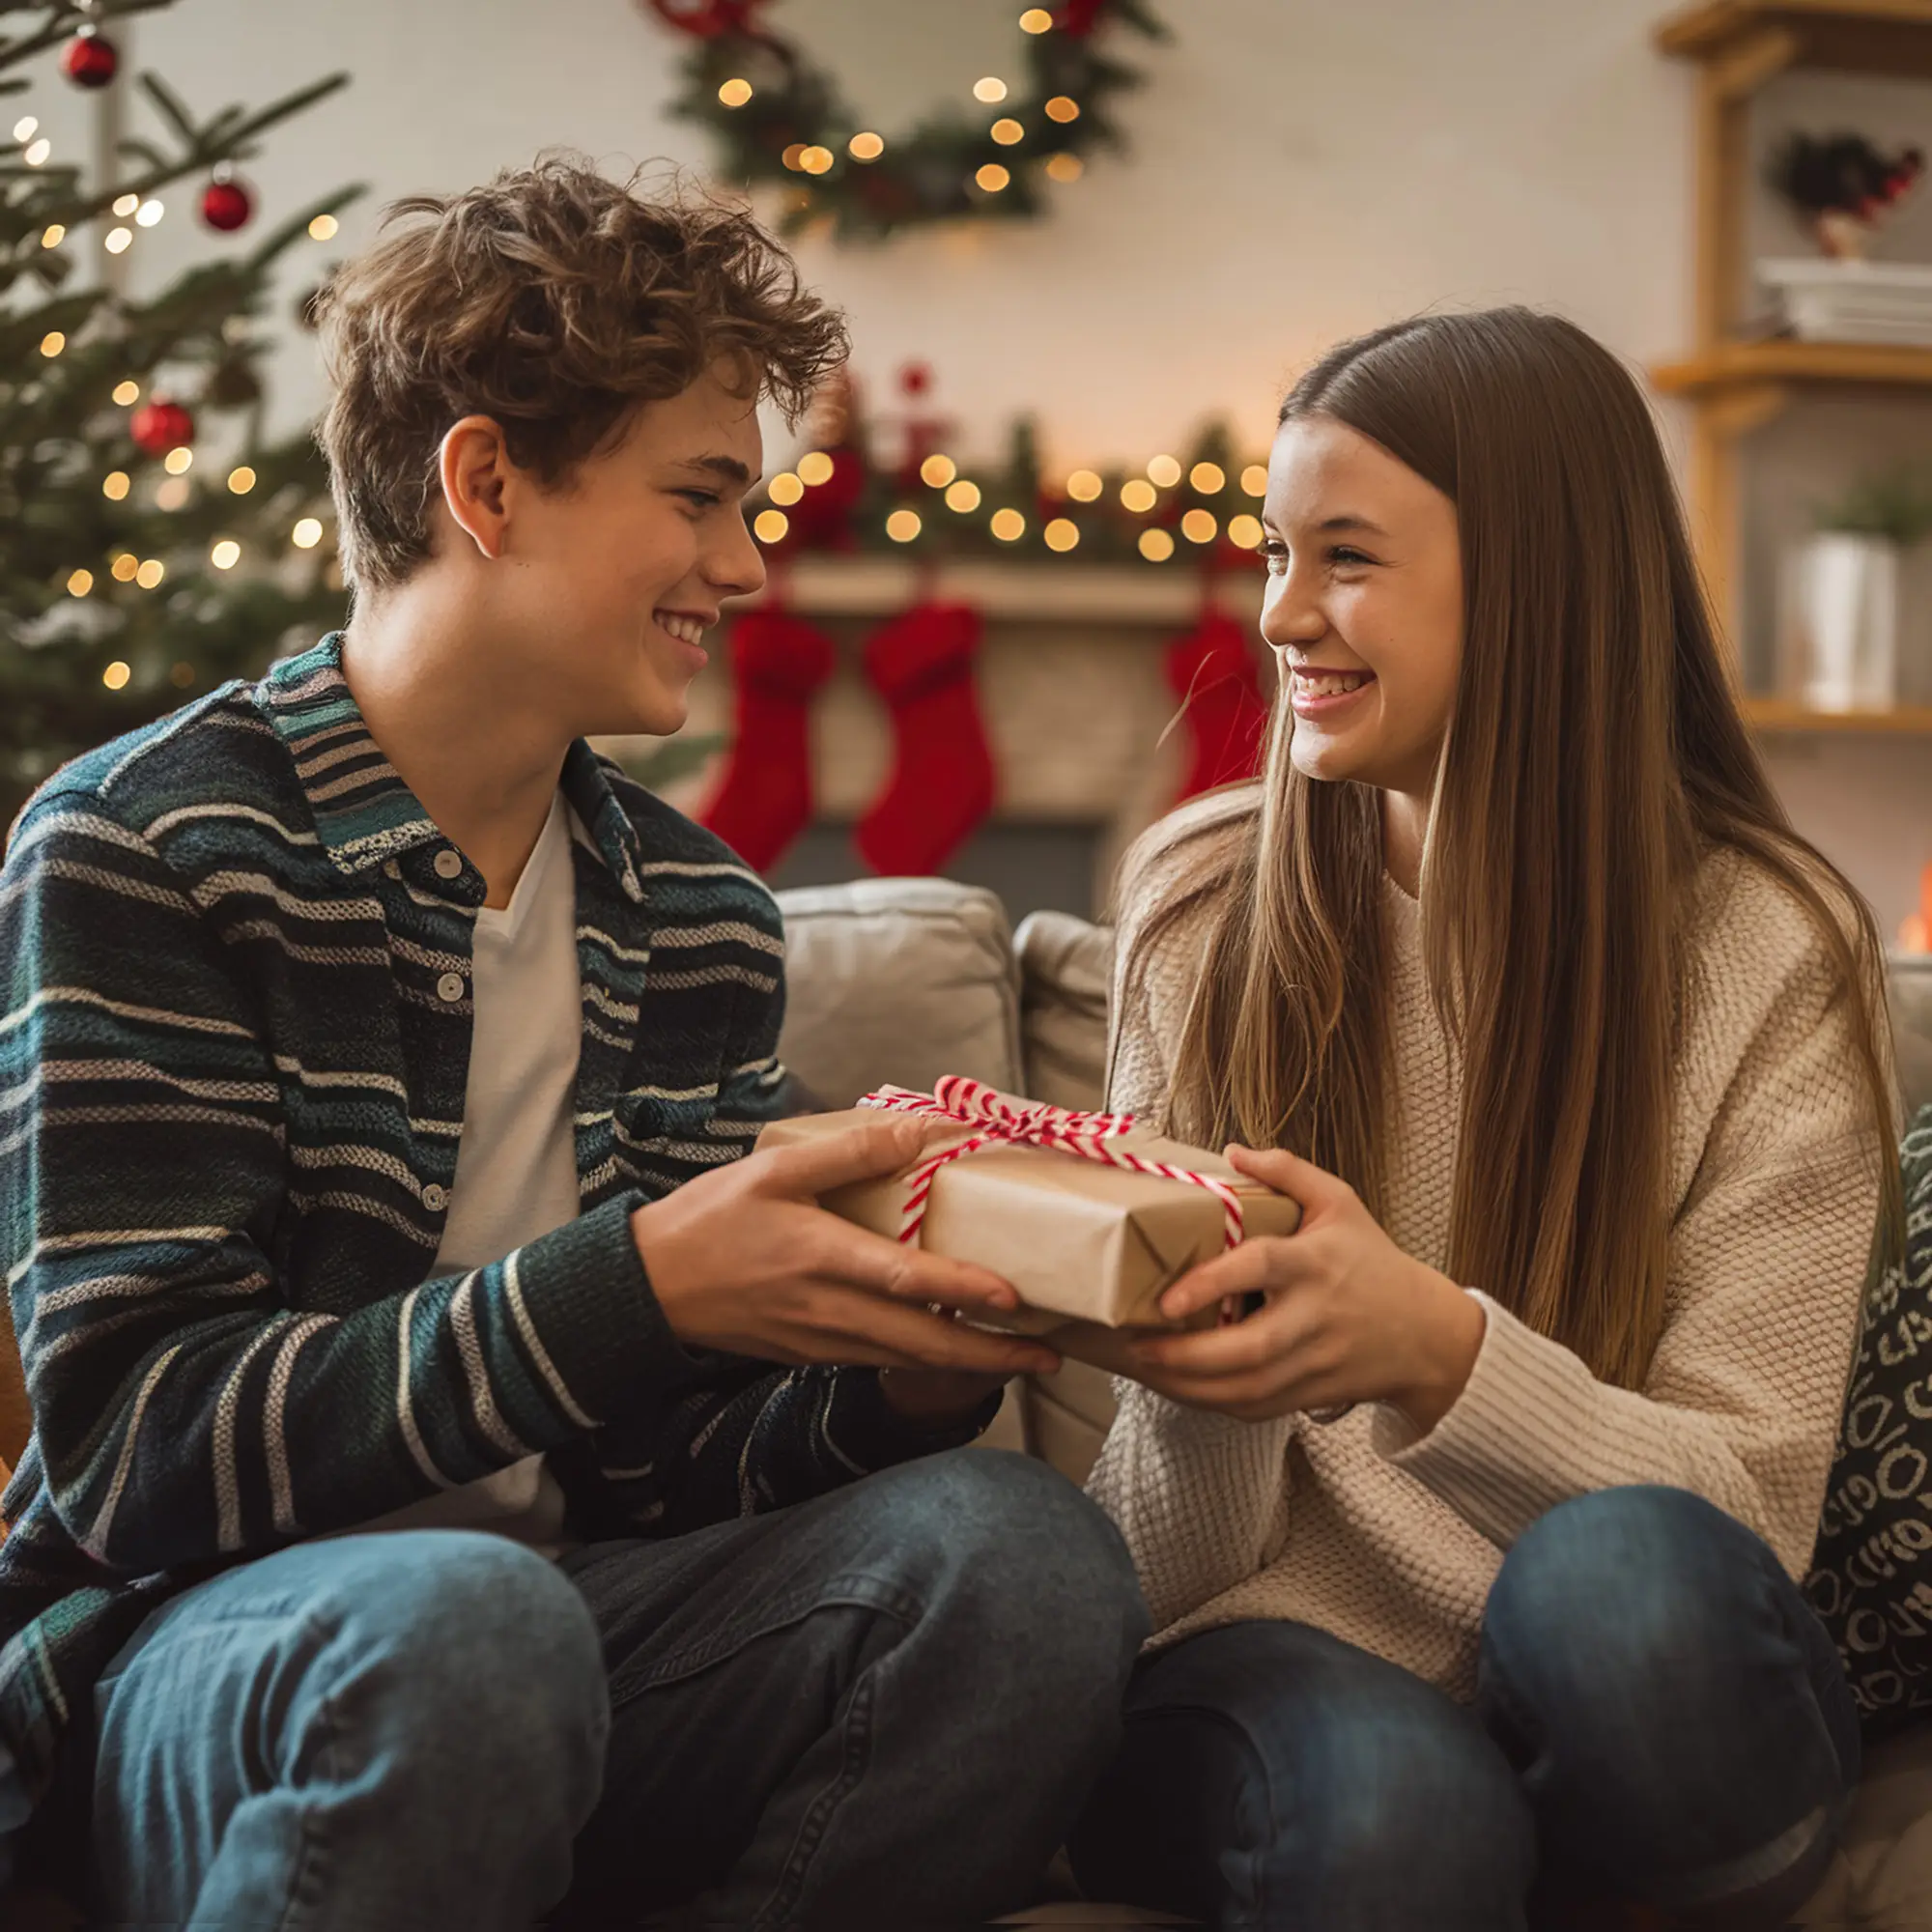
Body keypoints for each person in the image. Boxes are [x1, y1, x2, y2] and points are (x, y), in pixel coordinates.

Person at [0, 157, 1148, 1929]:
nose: (746, 568)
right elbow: (137, 1446)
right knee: (468, 1622)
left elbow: (652, 1470)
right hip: (205, 1666)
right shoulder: (149, 845)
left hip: (580, 1631)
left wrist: (909, 1372)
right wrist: (646, 1283)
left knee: (1023, 1561)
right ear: (486, 482)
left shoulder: (692, 914)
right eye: (700, 497)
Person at [1066, 307, 1900, 1932]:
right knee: (1393, 1825)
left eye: (1349, 559)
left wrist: (1434, 1352)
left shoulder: (1768, 944)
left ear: (1537, 584)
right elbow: (1159, 1572)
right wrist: (1217, 1375)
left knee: (1625, 1591)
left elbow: (1746, 1519)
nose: (1282, 614)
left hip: (1639, 1673)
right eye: (1275, 553)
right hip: (1280, 1664)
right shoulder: (1204, 903)